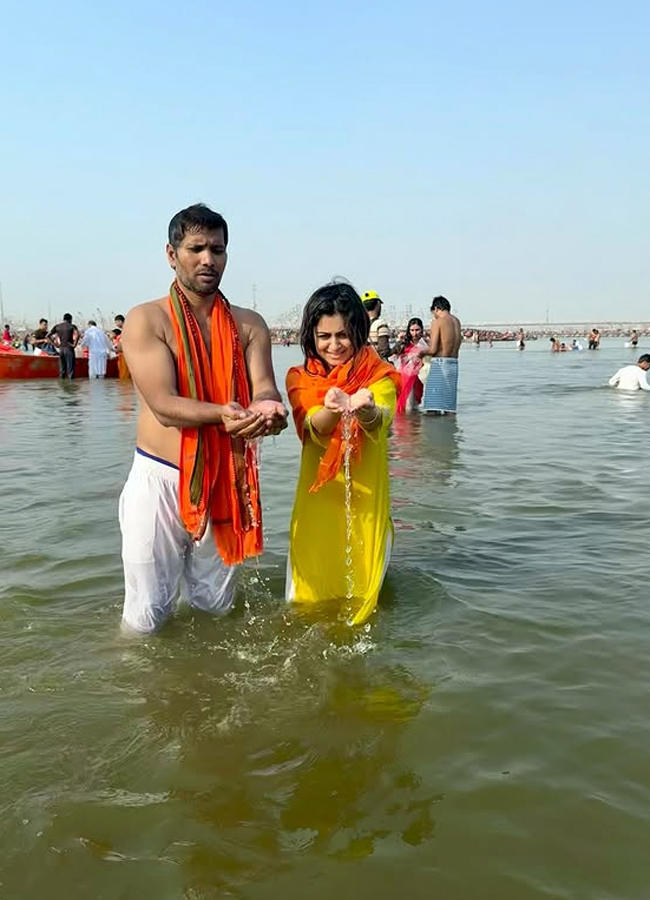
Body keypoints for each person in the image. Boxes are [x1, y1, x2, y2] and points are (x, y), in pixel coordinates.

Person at [119, 203, 287, 633]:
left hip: (224, 478)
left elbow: (263, 386)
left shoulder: (249, 325)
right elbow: (163, 404)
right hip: (159, 478)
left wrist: (268, 408)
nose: (208, 259)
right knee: (145, 616)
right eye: (196, 248)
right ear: (171, 254)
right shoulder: (147, 319)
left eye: (218, 249)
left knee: (216, 608)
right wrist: (224, 414)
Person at [285, 281, 401, 625]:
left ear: (359, 332)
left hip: (366, 510)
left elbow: (380, 417)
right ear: (311, 336)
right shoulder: (300, 378)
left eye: (343, 335)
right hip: (316, 509)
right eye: (324, 337)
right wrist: (335, 408)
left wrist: (363, 410)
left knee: (365, 611)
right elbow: (314, 427)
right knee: (304, 608)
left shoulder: (380, 376)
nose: (334, 345)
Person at [418, 296, 462, 414]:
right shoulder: (456, 322)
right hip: (453, 364)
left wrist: (420, 353)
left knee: (432, 409)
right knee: (449, 410)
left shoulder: (438, 322)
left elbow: (433, 350)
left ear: (436, 308)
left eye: (433, 313)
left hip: (439, 365)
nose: (434, 315)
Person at [395, 317, 428, 413]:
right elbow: (393, 355)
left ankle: (414, 424)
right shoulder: (404, 343)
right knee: (407, 404)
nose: (415, 333)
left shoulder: (425, 344)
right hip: (404, 376)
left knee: (414, 404)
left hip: (417, 377)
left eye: (417, 330)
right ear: (408, 331)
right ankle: (407, 425)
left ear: (421, 330)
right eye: (412, 330)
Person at [362, 291, 391, 360]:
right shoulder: (381, 324)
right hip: (376, 366)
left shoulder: (358, 325)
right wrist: (398, 347)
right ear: (378, 304)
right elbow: (384, 351)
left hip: (363, 365)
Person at [48, 313, 79, 378]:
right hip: (69, 348)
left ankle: (63, 386)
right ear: (70, 319)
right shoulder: (72, 326)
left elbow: (47, 336)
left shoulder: (57, 326)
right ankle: (71, 386)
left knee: (62, 370)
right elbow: (77, 335)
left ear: (63, 319)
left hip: (61, 349)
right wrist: (74, 345)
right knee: (70, 370)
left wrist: (55, 344)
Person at [113, 314, 130, 379]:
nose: (116, 324)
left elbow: (122, 343)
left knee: (124, 377)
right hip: (124, 354)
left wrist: (117, 349)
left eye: (116, 322)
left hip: (125, 354)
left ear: (120, 321)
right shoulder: (126, 329)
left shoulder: (126, 329)